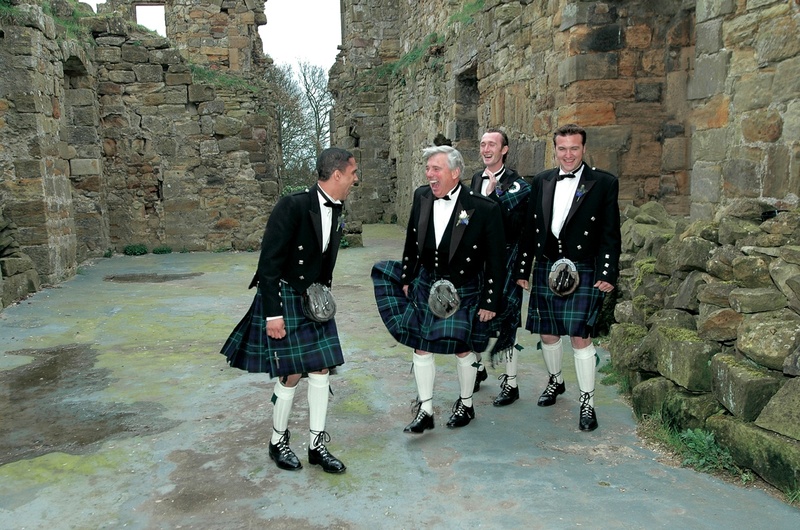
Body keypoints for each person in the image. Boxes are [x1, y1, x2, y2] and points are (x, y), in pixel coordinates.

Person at [221, 147, 359, 472]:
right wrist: (273, 314)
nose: (356, 179)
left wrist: (323, 297)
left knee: (322, 368)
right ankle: (277, 440)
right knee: (292, 373)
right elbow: (268, 264)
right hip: (286, 296)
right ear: (337, 174)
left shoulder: (337, 211)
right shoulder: (293, 205)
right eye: (353, 173)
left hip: (315, 301)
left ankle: (316, 444)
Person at [372, 145, 505, 433]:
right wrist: (407, 277)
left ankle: (466, 404)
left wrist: (490, 301)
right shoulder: (422, 196)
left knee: (463, 348)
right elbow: (411, 239)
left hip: (464, 286)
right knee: (421, 346)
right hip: (427, 281)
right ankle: (426, 409)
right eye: (428, 169)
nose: (430, 175)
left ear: (455, 173)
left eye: (436, 169)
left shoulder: (484, 209)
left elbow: (496, 261)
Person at [515, 124, 621, 431]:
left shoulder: (602, 182)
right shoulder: (542, 180)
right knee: (548, 333)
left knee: (579, 336)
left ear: (584, 149)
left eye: (574, 148)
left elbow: (609, 232)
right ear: (555, 149)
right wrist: (523, 269)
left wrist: (607, 272)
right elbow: (530, 229)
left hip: (583, 266)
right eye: (562, 148)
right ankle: (555, 381)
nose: (568, 154)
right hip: (548, 265)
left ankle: (587, 401)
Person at [468, 128, 531, 406]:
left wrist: (522, 272)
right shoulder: (473, 179)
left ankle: (511, 382)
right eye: (483, 144)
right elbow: (467, 217)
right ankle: (478, 368)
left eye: (492, 144)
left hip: (506, 259)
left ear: (504, 150)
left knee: (507, 322)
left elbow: (511, 225)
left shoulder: (518, 185)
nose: (486, 149)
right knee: (472, 315)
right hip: (477, 260)